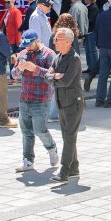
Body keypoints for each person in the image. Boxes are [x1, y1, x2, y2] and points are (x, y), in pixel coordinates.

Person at [12, 30, 59, 172]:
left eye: (29, 45)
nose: (27, 48)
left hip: (41, 98)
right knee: (26, 131)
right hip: (24, 98)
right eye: (25, 45)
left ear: (37, 41)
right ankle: (28, 160)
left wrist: (36, 69)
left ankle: (51, 148)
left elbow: (53, 75)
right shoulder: (23, 54)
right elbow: (13, 74)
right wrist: (19, 69)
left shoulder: (49, 54)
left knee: (39, 129)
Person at [49, 27, 83, 183]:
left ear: (68, 42)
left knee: (69, 138)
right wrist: (56, 75)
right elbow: (47, 77)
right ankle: (74, 167)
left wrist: (55, 77)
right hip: (62, 102)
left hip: (73, 104)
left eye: (58, 39)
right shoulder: (57, 57)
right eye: (55, 38)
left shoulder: (74, 58)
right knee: (68, 137)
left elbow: (66, 80)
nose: (54, 41)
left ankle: (64, 170)